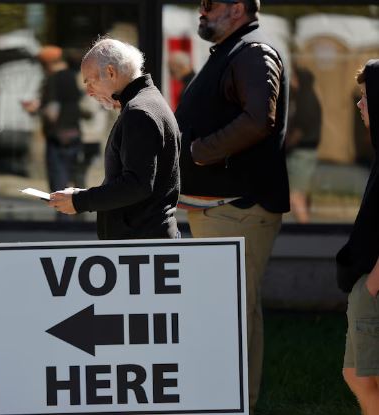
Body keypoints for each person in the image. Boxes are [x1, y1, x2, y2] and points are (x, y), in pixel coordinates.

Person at [174, 0, 289, 412]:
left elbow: (260, 119)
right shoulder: (231, 50)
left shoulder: (253, 52)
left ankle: (236, 404)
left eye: (209, 4)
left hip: (238, 207)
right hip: (218, 208)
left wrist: (200, 151)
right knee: (226, 314)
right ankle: (225, 402)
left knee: (234, 315)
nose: (200, 11)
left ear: (237, 8)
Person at [48, 38, 180, 240]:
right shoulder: (146, 102)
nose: (89, 92)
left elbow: (136, 185)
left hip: (142, 243)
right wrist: (83, 197)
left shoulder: (139, 111)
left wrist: (81, 201)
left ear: (110, 72)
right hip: (145, 240)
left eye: (90, 81)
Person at [337, 59, 379, 415]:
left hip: (376, 286)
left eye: (366, 97)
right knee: (355, 374)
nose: (359, 104)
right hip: (367, 283)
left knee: (369, 378)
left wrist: (371, 288)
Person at [22, 45, 86, 194]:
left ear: (47, 64)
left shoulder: (52, 80)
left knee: (59, 189)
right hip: (75, 133)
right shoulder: (73, 76)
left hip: (58, 138)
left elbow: (52, 113)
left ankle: (64, 217)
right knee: (77, 183)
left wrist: (35, 109)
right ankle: (79, 216)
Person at [285, 66, 322, 223]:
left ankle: (304, 228)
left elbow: (299, 130)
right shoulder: (302, 97)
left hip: (302, 153)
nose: (290, 81)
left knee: (295, 196)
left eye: (293, 77)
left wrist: (284, 148)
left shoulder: (306, 99)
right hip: (302, 153)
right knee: (299, 195)